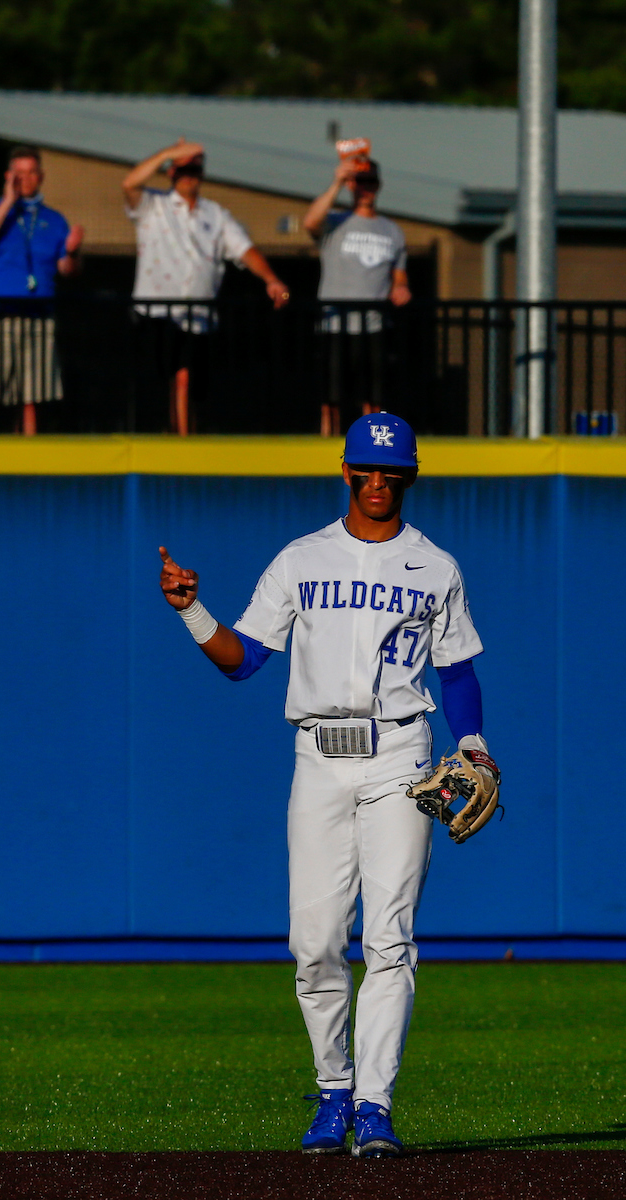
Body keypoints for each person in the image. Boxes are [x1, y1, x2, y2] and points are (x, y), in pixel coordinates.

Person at [158, 412, 497, 1157]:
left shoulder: (434, 565)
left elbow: (457, 669)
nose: (379, 483)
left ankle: (374, 1103)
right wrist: (190, 610)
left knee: (389, 938)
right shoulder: (302, 559)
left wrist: (472, 743)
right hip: (319, 757)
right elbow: (245, 659)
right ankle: (333, 1088)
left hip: (402, 758)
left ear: (407, 477)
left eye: (392, 472)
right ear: (345, 472)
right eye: (367, 470)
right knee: (313, 943)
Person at [122, 139, 290, 435]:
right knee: (163, 383)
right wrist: (167, 152)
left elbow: (244, 249)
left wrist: (271, 279)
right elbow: (129, 184)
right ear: (171, 173)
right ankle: (170, 436)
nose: (189, 177)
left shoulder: (215, 214)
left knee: (189, 381)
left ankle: (184, 438)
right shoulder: (154, 204)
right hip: (156, 311)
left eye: (195, 171)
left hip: (198, 315)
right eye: (183, 170)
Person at [0, 146, 84, 436]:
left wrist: (74, 253)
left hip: (37, 319)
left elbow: (68, 269)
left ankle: (29, 468)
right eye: (19, 173)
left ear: (41, 177)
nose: (25, 179)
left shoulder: (54, 220)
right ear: (8, 176)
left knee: (32, 401)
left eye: (31, 173)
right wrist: (8, 202)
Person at [304, 143, 411, 436]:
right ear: (352, 184)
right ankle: (329, 445)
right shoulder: (336, 222)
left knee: (373, 397)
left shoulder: (392, 230)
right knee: (332, 396)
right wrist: (337, 181)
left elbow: (399, 275)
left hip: (373, 323)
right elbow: (310, 221)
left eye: (370, 182)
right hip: (335, 322)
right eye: (360, 181)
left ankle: (371, 448)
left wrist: (401, 288)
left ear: (378, 185)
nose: (365, 188)